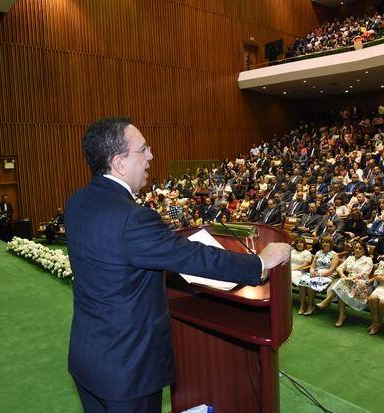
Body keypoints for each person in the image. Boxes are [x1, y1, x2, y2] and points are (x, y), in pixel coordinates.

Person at [65, 118, 290, 413]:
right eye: (143, 149)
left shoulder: (77, 202)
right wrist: (259, 262)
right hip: (127, 371)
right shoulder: (132, 217)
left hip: (88, 358)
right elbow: (192, 257)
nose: (151, 157)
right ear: (119, 162)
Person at [318, 240, 373, 327]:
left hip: (361, 283)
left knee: (342, 285)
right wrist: (343, 275)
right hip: (347, 281)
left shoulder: (368, 259)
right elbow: (340, 267)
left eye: (360, 248)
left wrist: (350, 278)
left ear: (364, 250)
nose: (357, 250)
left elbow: (364, 274)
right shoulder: (350, 258)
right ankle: (341, 316)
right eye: (356, 248)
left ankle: (326, 301)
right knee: (342, 287)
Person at [289, 237, 314, 315]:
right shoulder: (292, 251)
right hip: (290, 269)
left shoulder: (307, 253)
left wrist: (292, 269)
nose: (299, 244)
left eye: (301, 242)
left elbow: (304, 265)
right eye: (298, 243)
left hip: (300, 271)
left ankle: (302, 305)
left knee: (291, 276)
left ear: (304, 244)